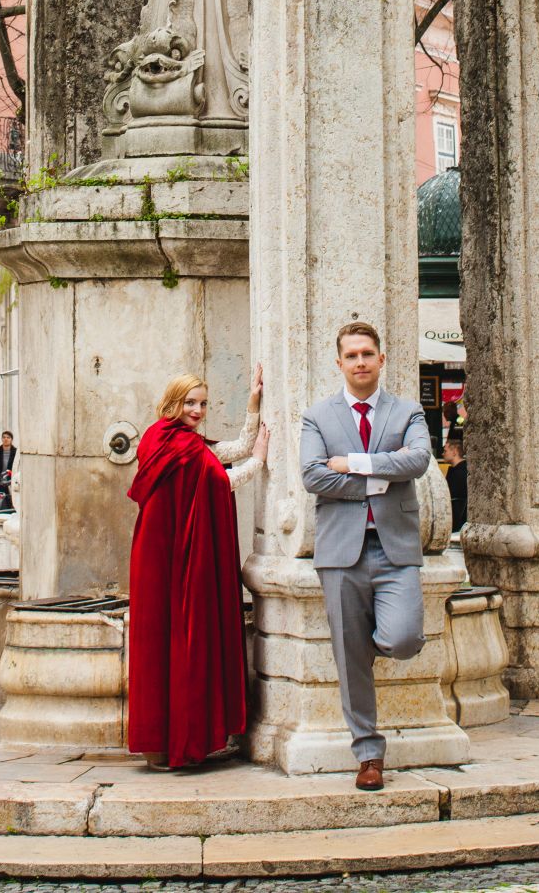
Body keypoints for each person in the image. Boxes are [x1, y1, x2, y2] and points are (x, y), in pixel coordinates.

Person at [301, 322, 431, 792]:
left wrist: (354, 465)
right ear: (339, 363)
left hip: (395, 548)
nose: (360, 362)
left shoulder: (407, 411)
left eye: (367, 354)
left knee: (402, 638)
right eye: (351, 355)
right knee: (349, 660)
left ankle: (375, 639)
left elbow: (417, 461)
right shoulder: (318, 416)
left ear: (381, 359)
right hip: (340, 552)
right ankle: (369, 754)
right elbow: (314, 476)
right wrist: (382, 476)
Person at [127, 364, 269, 769]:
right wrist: (259, 461)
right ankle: (180, 742)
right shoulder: (177, 445)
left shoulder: (166, 438)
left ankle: (163, 744)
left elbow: (227, 450)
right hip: (170, 554)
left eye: (203, 403)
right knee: (180, 634)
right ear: (173, 403)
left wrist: (254, 403)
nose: (198, 410)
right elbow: (221, 479)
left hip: (159, 553)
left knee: (163, 640)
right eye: (190, 402)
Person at [442, 434, 468, 532]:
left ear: (454, 452)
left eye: (445, 451)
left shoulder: (459, 473)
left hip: (457, 524)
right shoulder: (462, 470)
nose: (442, 454)